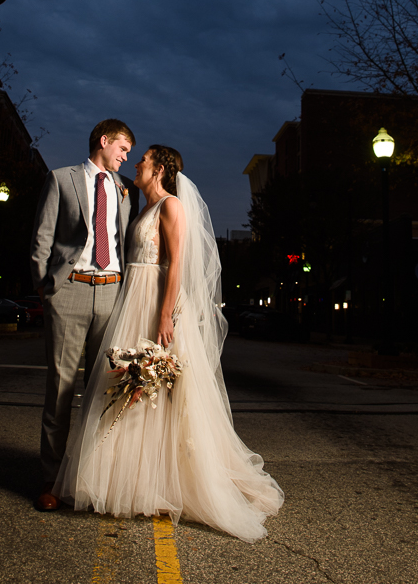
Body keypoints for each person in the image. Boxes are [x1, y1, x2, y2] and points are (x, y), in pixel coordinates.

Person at [55, 145, 284, 543]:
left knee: (159, 390)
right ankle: (125, 478)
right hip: (133, 297)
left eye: (142, 159)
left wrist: (165, 315)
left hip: (156, 299)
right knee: (127, 383)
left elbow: (176, 261)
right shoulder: (142, 207)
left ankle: (165, 480)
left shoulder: (171, 206)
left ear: (159, 169)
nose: (137, 164)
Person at [30, 119, 139, 511]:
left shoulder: (124, 191)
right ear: (104, 141)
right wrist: (46, 286)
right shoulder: (62, 179)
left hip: (110, 292)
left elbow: (124, 242)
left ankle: (91, 479)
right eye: (123, 149)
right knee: (59, 389)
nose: (126, 157)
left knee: (103, 391)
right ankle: (51, 480)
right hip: (70, 289)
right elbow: (43, 236)